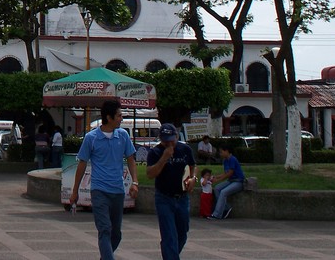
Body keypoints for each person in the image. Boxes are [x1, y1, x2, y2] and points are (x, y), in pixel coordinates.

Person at [69, 100, 140, 260]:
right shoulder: (91, 138)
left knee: (116, 234)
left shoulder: (122, 135)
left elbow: (130, 158)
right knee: (105, 229)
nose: (122, 118)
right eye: (119, 115)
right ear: (109, 117)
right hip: (99, 191)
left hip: (118, 191)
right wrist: (75, 191)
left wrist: (134, 182)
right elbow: (81, 164)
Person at [146, 122, 196, 260]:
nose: (169, 144)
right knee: (169, 235)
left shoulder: (185, 149)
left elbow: (192, 166)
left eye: (171, 140)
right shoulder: (155, 152)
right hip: (164, 198)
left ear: (176, 136)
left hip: (182, 197)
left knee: (182, 233)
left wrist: (193, 178)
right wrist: (164, 158)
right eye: (165, 141)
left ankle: (170, 255)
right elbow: (150, 174)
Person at [208, 144, 245, 219]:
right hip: (231, 180)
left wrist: (218, 180)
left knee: (223, 192)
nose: (220, 154)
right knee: (217, 188)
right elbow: (226, 173)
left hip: (238, 182)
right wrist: (216, 176)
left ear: (227, 151)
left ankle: (217, 214)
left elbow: (230, 173)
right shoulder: (225, 161)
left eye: (221, 152)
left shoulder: (232, 159)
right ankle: (226, 207)